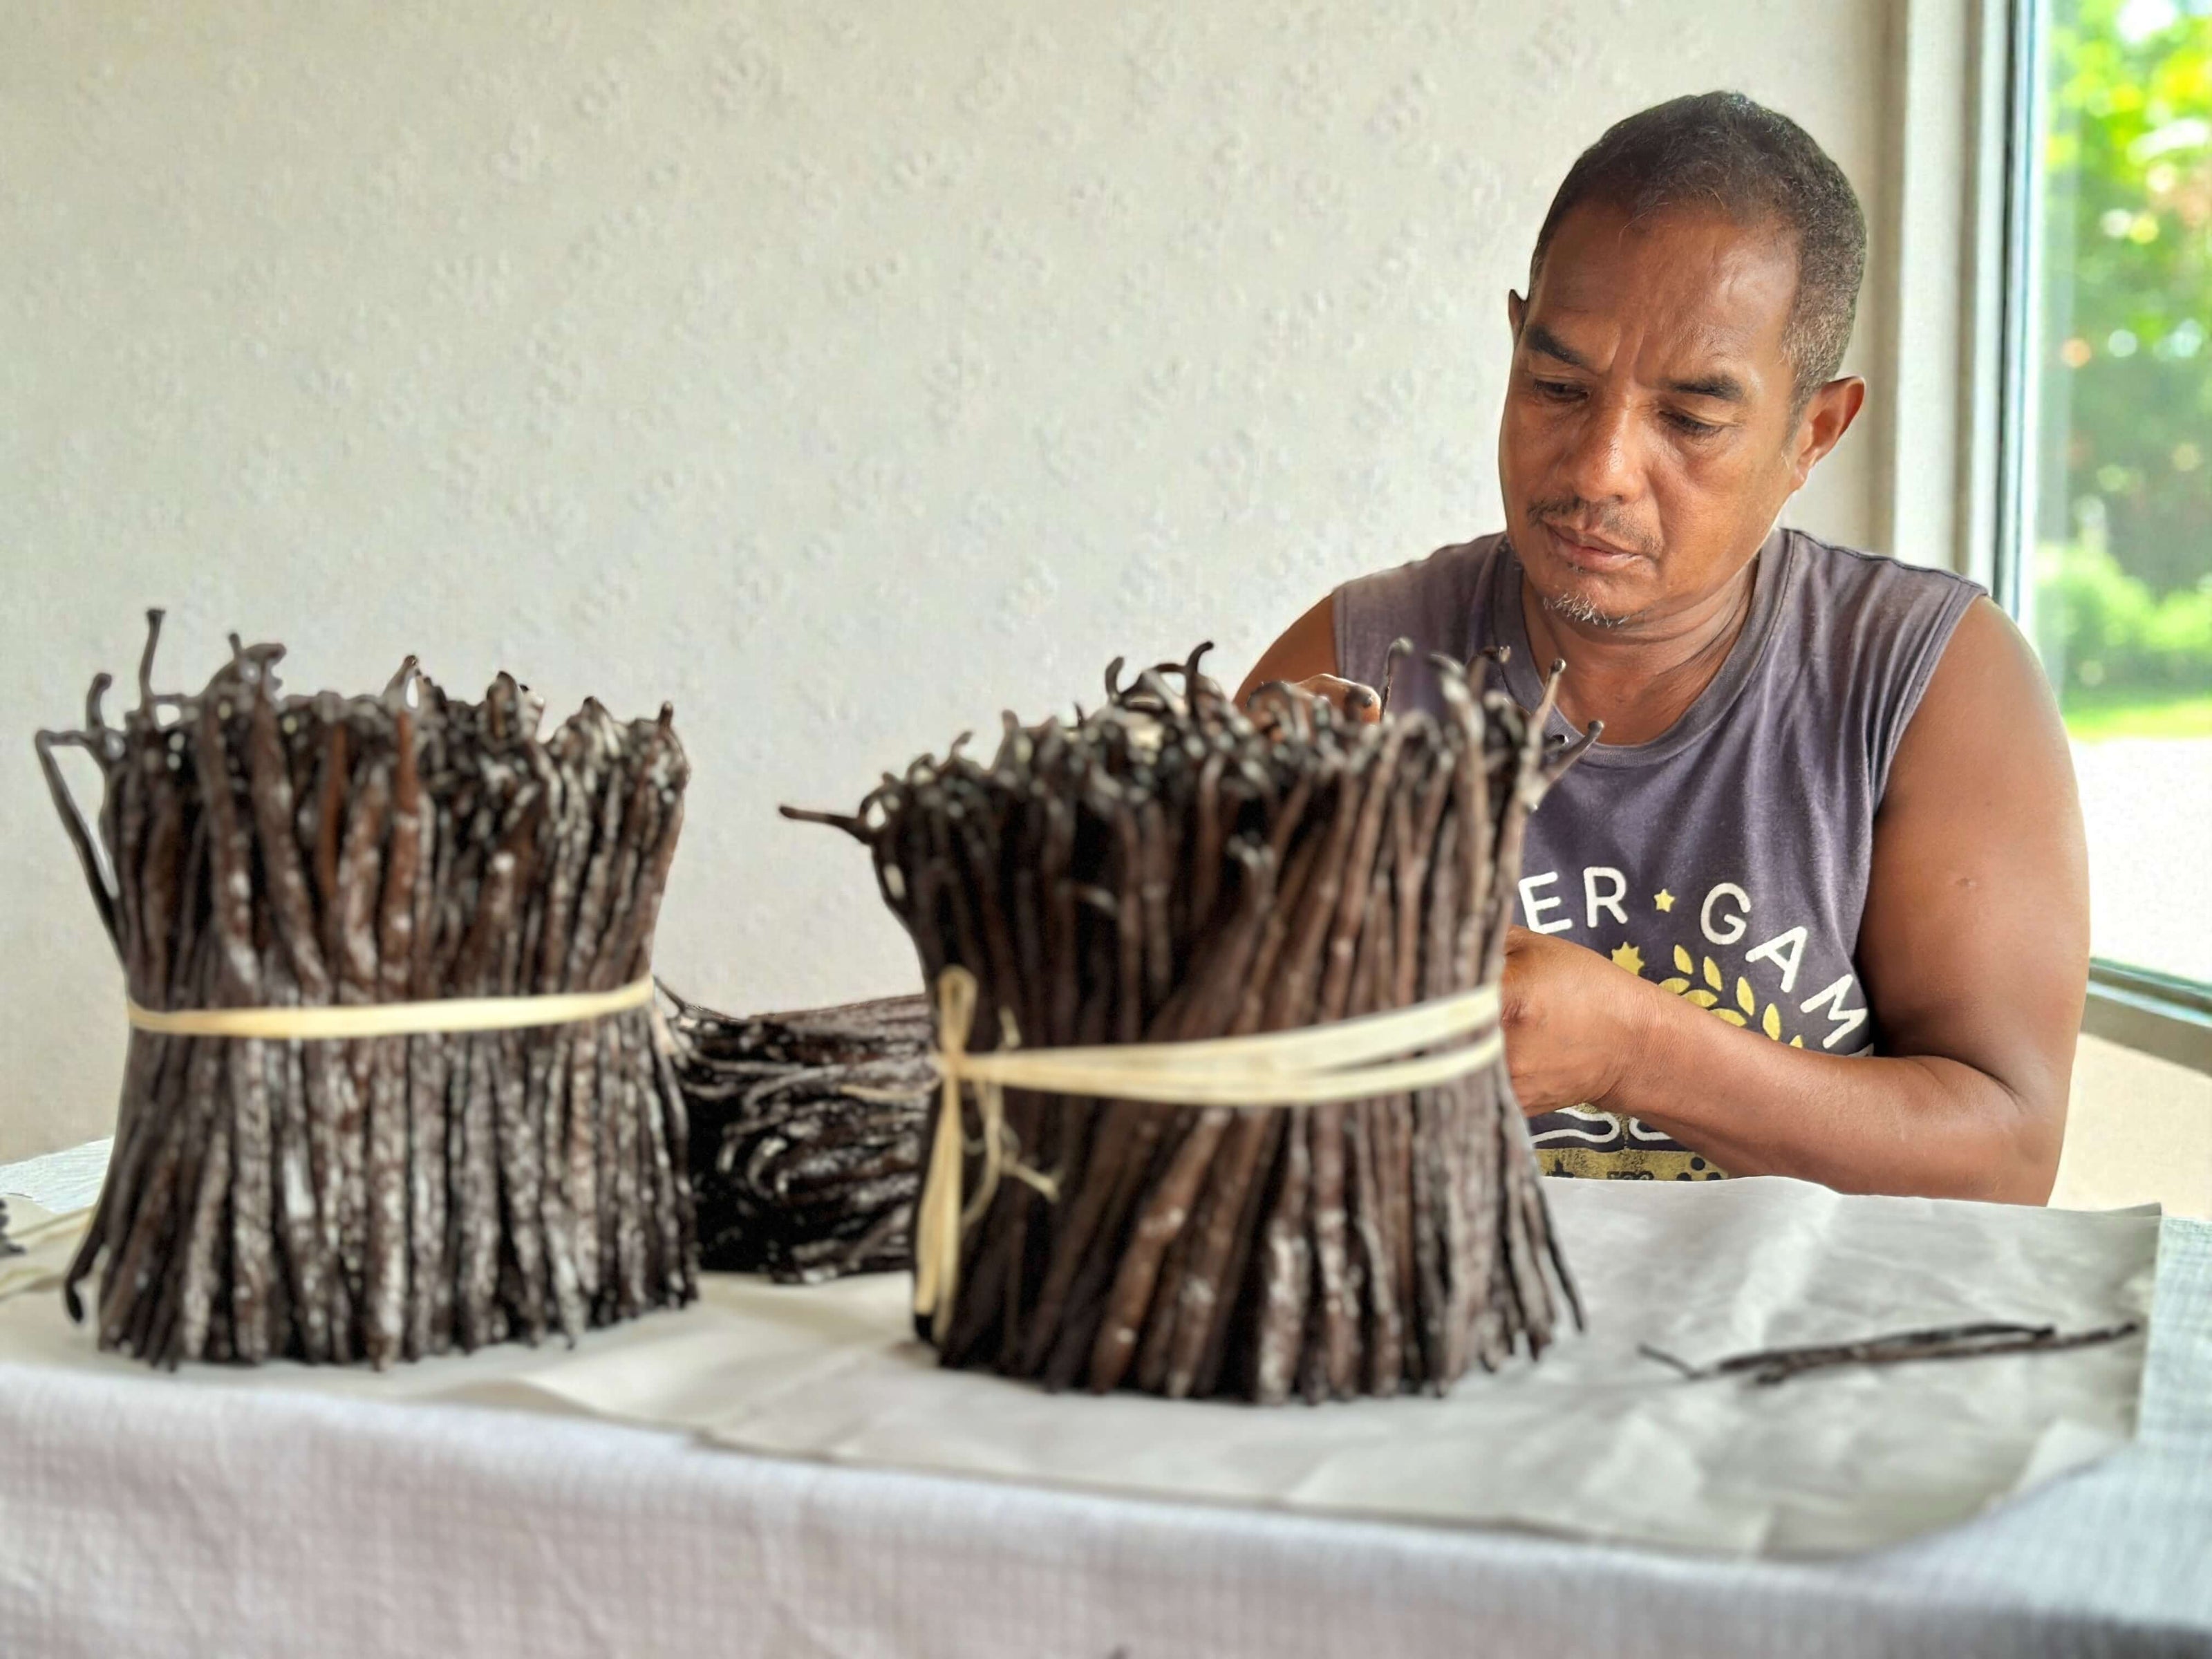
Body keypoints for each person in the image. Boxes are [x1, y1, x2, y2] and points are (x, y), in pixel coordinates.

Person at [1236, 92, 2086, 1202]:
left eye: (1689, 419)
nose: (1598, 469)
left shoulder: (1930, 682)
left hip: (1810, 1360)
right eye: (1556, 386)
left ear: (1812, 433)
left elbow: (2007, 1159)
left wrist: (1640, 1054)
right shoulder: (1356, 661)